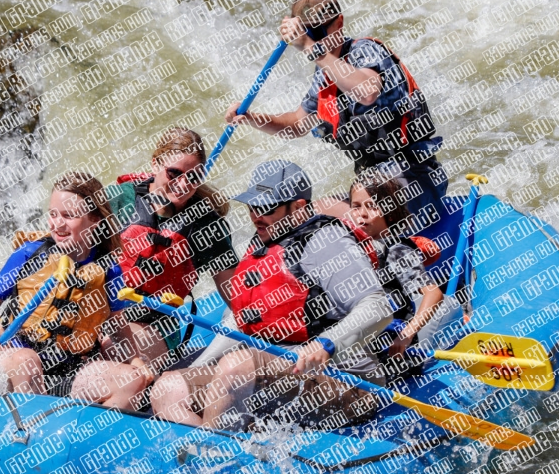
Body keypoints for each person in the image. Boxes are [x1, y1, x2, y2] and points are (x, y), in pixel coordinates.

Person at [150, 160, 393, 431]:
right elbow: (240, 320)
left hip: (347, 382)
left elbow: (378, 307)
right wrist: (199, 367)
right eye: (252, 206)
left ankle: (219, 457)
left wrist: (326, 344)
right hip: (274, 371)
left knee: (236, 366)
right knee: (168, 388)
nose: (256, 216)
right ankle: (211, 454)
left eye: (267, 207)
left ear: (299, 208)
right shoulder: (265, 241)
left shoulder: (326, 241)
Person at [225, 0, 449, 224]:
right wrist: (252, 118)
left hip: (414, 180)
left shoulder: (365, 51)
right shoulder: (324, 74)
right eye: (307, 32)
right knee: (302, 218)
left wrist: (310, 46)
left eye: (318, 31)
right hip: (370, 190)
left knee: (356, 214)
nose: (314, 39)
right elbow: (298, 124)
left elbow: (367, 92)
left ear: (339, 22)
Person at [0, 172, 150, 408]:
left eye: (69, 216)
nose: (58, 224)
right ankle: (30, 431)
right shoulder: (31, 254)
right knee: (28, 363)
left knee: (131, 380)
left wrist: (137, 361)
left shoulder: (107, 267)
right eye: (53, 214)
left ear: (95, 219)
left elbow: (118, 324)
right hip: (19, 354)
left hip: (72, 367)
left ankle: (90, 437)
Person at [106, 126, 239, 375]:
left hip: (154, 323)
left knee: (114, 348)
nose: (183, 184)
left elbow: (236, 296)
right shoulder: (118, 200)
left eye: (193, 177)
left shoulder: (207, 225)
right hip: (102, 312)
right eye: (174, 173)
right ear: (156, 163)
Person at [348, 171, 444, 381]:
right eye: (356, 206)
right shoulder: (349, 249)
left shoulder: (396, 250)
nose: (361, 214)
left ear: (389, 213)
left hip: (394, 349)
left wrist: (406, 335)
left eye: (371, 206)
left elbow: (433, 294)